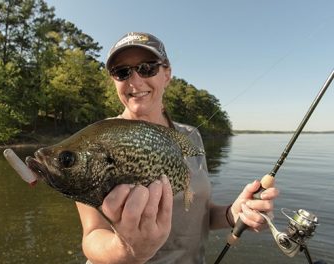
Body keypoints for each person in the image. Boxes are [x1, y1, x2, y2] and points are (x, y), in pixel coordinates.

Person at [75, 32, 279, 264]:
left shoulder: (190, 136)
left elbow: (195, 211)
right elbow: (92, 235)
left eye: (147, 68)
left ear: (167, 74)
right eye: (122, 72)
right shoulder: (96, 141)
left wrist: (233, 213)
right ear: (114, 80)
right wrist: (128, 251)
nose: (135, 80)